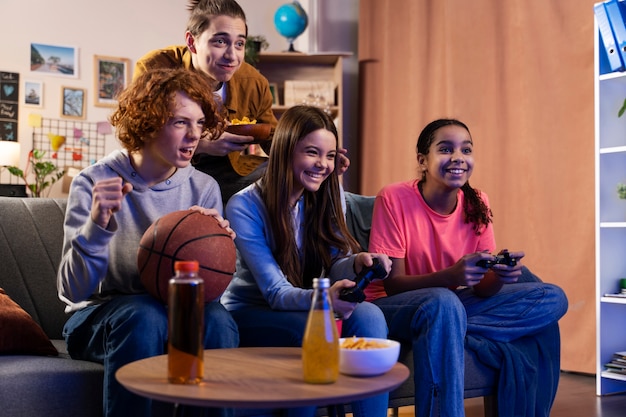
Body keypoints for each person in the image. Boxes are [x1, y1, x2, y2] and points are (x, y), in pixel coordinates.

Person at [57, 67, 239, 417]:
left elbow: (212, 293)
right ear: (149, 121)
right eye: (180, 123)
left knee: (217, 319)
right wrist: (97, 224)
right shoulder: (93, 182)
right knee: (143, 315)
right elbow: (73, 292)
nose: (194, 136)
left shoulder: (203, 188)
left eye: (200, 124)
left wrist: (217, 248)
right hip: (99, 316)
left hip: (177, 310)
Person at [365, 118, 569, 417]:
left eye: (466, 149)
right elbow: (393, 283)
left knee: (552, 297)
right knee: (443, 302)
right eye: (446, 149)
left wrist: (498, 276)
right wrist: (451, 276)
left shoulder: (478, 203)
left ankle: (451, 328)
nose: (458, 157)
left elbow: (482, 289)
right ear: (423, 160)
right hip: (393, 306)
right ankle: (451, 330)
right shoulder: (394, 197)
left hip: (447, 307)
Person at [221, 105, 390, 417]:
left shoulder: (326, 192)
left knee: (370, 317)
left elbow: (335, 263)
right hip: (252, 311)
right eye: (312, 153)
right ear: (286, 150)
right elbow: (275, 292)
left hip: (308, 304)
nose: (323, 165)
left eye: (329, 156)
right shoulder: (244, 205)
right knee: (314, 329)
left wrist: (355, 264)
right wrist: (326, 299)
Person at [134, 0, 350, 204]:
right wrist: (200, 145)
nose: (232, 56)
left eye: (239, 44)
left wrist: (315, 152)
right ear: (192, 41)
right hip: (169, 172)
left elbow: (273, 138)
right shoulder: (154, 69)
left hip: (231, 171)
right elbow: (140, 139)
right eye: (220, 41)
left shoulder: (254, 82)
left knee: (292, 174)